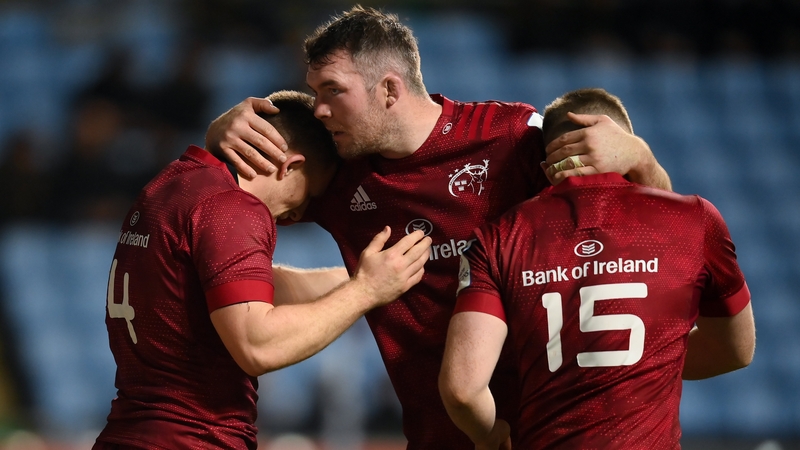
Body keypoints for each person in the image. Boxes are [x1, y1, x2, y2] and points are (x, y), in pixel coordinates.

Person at [205, 6, 672, 448]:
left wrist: (643, 160)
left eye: (332, 90)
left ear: (389, 89)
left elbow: (659, 236)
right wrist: (217, 141)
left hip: (547, 431)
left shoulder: (513, 137)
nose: (319, 110)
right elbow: (218, 216)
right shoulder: (339, 177)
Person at [93, 89, 432, 450]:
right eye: (309, 195)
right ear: (291, 166)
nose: (299, 215)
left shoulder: (170, 185)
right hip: (194, 439)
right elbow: (257, 347)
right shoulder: (234, 207)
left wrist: (360, 277)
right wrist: (365, 291)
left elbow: (246, 285)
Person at [438, 88, 756, 449]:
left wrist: (489, 436)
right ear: (626, 148)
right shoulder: (697, 219)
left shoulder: (497, 239)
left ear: (546, 169)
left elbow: (462, 390)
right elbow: (737, 350)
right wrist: (643, 366)